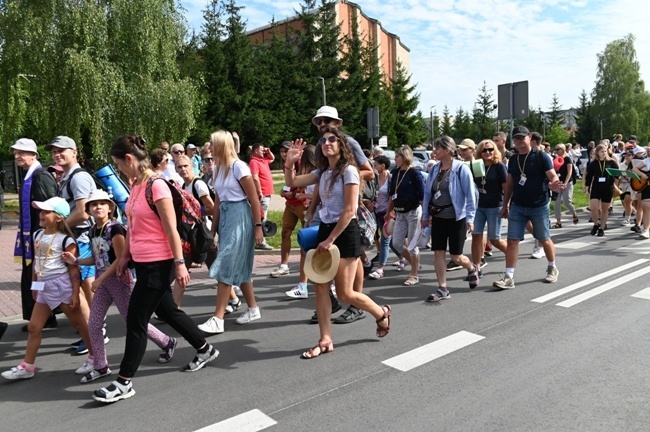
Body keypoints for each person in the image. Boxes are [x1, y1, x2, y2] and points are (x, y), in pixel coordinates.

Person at [93, 134, 218, 403]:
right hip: (143, 262)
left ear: (129, 159)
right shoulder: (137, 185)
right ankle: (205, 349)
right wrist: (125, 256)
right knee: (168, 311)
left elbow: (171, 228)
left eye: (119, 164)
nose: (119, 170)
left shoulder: (157, 186)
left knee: (136, 321)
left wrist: (180, 264)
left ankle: (124, 382)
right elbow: (133, 228)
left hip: (159, 264)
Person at [284, 128, 391, 358]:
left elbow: (350, 210)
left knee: (344, 294)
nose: (326, 142)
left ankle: (381, 313)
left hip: (345, 233)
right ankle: (325, 339)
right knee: (320, 287)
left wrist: (330, 240)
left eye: (332, 139)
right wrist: (290, 162)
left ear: (341, 145)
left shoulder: (350, 171)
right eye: (323, 140)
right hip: (326, 229)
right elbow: (292, 181)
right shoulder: (322, 172)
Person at [61, 190, 176, 383]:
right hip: (104, 282)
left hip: (120, 281)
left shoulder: (114, 229)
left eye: (102, 203)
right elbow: (98, 259)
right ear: (88, 209)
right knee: (95, 323)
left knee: (133, 321)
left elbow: (121, 259)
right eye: (93, 204)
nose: (98, 207)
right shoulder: (92, 230)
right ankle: (101, 365)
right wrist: (77, 260)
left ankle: (167, 342)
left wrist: (100, 279)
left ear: (110, 208)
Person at [2, 197, 93, 380]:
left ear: (58, 217)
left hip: (62, 287)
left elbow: (73, 268)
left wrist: (75, 294)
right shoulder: (38, 235)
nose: (41, 215)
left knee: (80, 324)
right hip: (44, 287)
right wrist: (35, 285)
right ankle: (27, 367)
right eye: (41, 211)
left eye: (46, 212)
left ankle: (96, 357)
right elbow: (38, 262)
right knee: (34, 327)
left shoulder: (66, 240)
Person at [307, 105, 375, 324]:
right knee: (337, 258)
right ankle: (329, 302)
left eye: (327, 120)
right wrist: (312, 207)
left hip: (348, 205)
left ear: (337, 123)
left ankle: (355, 304)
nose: (322, 124)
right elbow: (321, 179)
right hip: (328, 209)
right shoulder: (323, 145)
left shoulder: (347, 143)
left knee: (354, 257)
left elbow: (369, 172)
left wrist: (346, 177)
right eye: (319, 121)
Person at [197, 130, 264, 335]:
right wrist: (213, 228)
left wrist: (258, 226)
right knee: (240, 265)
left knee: (226, 263)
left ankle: (218, 318)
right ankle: (253, 309)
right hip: (226, 216)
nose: (210, 147)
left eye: (213, 143)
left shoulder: (238, 166)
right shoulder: (219, 169)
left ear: (222, 145)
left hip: (240, 215)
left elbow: (253, 198)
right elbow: (218, 200)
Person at [493, 126, 565, 289]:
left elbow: (552, 175)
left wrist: (554, 184)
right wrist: (506, 205)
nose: (518, 141)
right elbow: (510, 183)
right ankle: (509, 277)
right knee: (512, 241)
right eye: (515, 138)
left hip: (538, 205)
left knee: (544, 238)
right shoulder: (513, 159)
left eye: (521, 137)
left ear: (529, 137)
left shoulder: (541, 156)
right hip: (518, 205)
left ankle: (552, 267)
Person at [47, 136, 96, 354]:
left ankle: (96, 331)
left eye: (62, 150)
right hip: (76, 238)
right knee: (83, 283)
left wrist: (60, 228)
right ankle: (92, 330)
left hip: (83, 238)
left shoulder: (78, 177)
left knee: (86, 283)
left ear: (74, 151)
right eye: (54, 151)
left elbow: (83, 212)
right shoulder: (67, 177)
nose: (57, 154)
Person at [421, 136, 478, 300]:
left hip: (457, 218)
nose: (434, 152)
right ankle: (442, 288)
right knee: (438, 252)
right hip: (438, 217)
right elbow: (427, 193)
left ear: (447, 150)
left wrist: (470, 218)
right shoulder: (434, 169)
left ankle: (471, 268)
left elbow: (470, 195)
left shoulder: (461, 169)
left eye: (437, 149)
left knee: (456, 256)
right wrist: (426, 215)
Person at [11, 139, 58, 331]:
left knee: (40, 276)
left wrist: (44, 236)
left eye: (21, 153)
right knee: (35, 276)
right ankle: (41, 317)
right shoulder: (28, 176)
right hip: (32, 236)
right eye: (15, 153)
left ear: (34, 155)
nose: (17, 157)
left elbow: (49, 207)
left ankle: (46, 317)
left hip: (40, 236)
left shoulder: (40, 176)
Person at [174, 154, 215, 305]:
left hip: (204, 233)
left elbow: (211, 207)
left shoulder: (198, 184)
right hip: (193, 234)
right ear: (176, 170)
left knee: (215, 268)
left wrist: (194, 213)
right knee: (183, 268)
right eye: (180, 167)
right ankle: (175, 306)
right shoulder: (185, 186)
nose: (183, 169)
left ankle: (234, 299)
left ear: (192, 167)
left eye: (186, 166)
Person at [279, 142, 312, 298]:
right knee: (287, 233)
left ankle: (332, 285)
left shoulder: (307, 166)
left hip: (305, 207)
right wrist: (286, 191)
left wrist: (302, 195)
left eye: (288, 151)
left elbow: (316, 191)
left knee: (309, 244)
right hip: (293, 205)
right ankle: (300, 282)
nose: (285, 154)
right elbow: (289, 183)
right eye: (283, 151)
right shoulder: (289, 164)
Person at [388, 145, 424, 286]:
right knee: (397, 243)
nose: (395, 159)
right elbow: (392, 194)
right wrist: (388, 211)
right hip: (399, 212)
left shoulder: (414, 173)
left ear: (405, 157)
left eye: (397, 156)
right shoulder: (396, 172)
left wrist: (426, 215)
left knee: (412, 245)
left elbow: (422, 195)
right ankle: (415, 264)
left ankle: (414, 274)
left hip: (413, 212)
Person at [470, 139, 507, 277]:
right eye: (484, 150)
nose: (487, 152)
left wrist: (506, 205)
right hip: (478, 206)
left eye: (490, 149)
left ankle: (511, 254)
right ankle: (476, 267)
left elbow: (506, 187)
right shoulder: (475, 165)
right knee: (476, 236)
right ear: (479, 151)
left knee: (495, 239)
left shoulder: (499, 166)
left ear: (495, 150)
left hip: (495, 206)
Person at [585, 143, 619, 237]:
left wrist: (620, 177)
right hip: (596, 187)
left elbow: (617, 174)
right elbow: (589, 176)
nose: (604, 153)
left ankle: (602, 228)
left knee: (605, 209)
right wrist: (587, 187)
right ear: (597, 153)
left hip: (608, 188)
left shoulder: (611, 162)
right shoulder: (593, 164)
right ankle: (596, 224)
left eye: (605, 151)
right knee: (594, 208)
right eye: (601, 151)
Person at [368, 155, 392, 280]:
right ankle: (407, 258)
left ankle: (380, 269)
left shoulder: (391, 178)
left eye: (376, 165)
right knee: (391, 242)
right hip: (377, 211)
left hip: (387, 213)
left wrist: (390, 211)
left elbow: (393, 196)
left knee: (385, 240)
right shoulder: (375, 178)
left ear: (383, 166)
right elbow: (374, 193)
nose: (374, 167)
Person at [249, 142, 275, 251]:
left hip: (267, 193)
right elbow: (255, 177)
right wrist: (259, 191)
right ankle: (261, 242)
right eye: (261, 149)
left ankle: (259, 240)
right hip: (262, 194)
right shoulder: (254, 162)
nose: (263, 151)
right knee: (262, 217)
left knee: (263, 216)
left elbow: (272, 158)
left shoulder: (263, 160)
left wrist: (268, 152)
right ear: (255, 151)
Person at [552, 143, 579, 228]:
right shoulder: (556, 159)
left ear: (563, 150)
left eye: (558, 149)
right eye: (555, 149)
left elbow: (569, 172)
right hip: (558, 182)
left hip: (567, 182)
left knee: (567, 201)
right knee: (557, 202)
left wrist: (565, 184)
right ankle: (558, 221)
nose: (556, 151)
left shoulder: (567, 159)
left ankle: (574, 213)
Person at [632, 153, 650, 239]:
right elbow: (634, 168)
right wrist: (643, 175)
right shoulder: (647, 160)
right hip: (648, 186)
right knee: (646, 208)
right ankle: (646, 230)